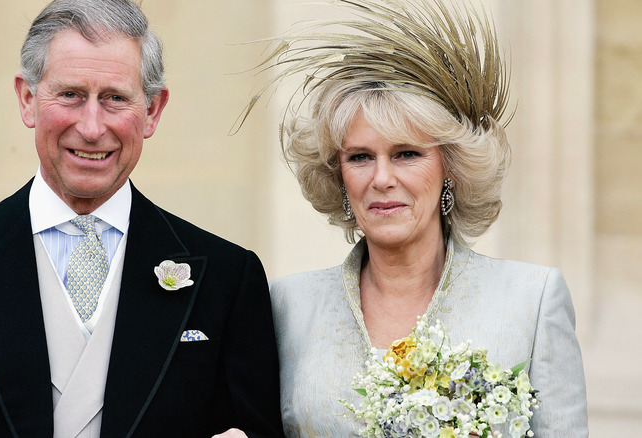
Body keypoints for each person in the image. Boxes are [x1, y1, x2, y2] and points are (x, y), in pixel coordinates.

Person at [0, 1, 284, 437]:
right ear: (27, 99)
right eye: (71, 95)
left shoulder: (227, 280)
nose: (91, 127)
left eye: (115, 98)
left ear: (153, 111)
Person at [247, 0, 589, 436]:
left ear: (451, 168)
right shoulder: (287, 306)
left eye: (407, 154)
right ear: (339, 175)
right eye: (360, 157)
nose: (382, 178)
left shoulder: (531, 299)